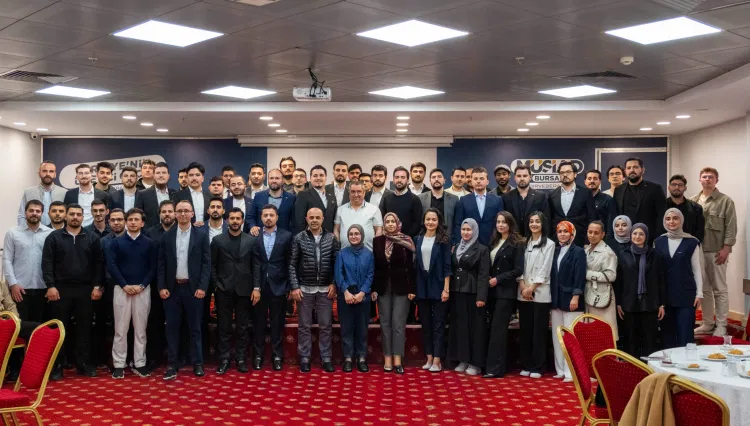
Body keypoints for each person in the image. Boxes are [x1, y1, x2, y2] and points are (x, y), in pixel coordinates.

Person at [43, 203, 104, 379]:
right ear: (66, 216)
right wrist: (50, 286)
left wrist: (97, 286)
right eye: (72, 214)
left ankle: (83, 364)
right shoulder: (54, 237)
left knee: (85, 328)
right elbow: (47, 263)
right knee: (59, 329)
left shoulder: (92, 238)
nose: (75, 217)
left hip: (86, 290)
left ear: (83, 217)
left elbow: (99, 264)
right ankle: (57, 366)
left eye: (78, 214)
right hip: (60, 290)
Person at [158, 200, 211, 380]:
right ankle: (172, 364)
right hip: (172, 289)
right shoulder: (167, 236)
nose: (182, 214)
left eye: (186, 211)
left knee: (195, 328)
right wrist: (162, 286)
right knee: (172, 328)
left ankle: (197, 363)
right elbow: (161, 264)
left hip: (193, 289)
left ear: (192, 214)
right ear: (175, 214)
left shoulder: (201, 235)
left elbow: (206, 264)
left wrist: (202, 287)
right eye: (179, 211)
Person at [105, 208, 155, 379]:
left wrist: (142, 285)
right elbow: (112, 266)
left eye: (136, 219)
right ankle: (119, 364)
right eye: (130, 219)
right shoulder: (116, 243)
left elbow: (153, 267)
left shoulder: (149, 243)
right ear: (126, 222)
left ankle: (139, 362)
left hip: (142, 290)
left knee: (141, 330)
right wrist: (124, 285)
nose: (133, 222)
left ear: (142, 223)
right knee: (120, 329)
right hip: (121, 290)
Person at [289, 207, 339, 373]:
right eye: (312, 217)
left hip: (325, 289)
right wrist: (295, 286)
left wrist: (334, 283)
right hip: (305, 288)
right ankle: (305, 358)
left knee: (326, 325)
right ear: (307, 219)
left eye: (318, 217)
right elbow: (292, 264)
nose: (315, 220)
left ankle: (326, 358)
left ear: (323, 219)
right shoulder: (299, 238)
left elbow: (337, 264)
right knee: (304, 325)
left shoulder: (331, 238)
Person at [691, 167, 737, 337]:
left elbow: (731, 227)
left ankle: (721, 325)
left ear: (716, 180)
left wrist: (726, 248)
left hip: (717, 251)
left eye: (711, 177)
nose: (707, 179)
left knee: (719, 289)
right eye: (704, 176)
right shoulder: (693, 201)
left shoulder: (725, 201)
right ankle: (708, 323)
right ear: (700, 179)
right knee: (704, 290)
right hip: (697, 251)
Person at [211, 208, 255, 374]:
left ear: (242, 221)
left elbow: (255, 265)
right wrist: (216, 285)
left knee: (242, 327)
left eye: (238, 218)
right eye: (232, 218)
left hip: (245, 289)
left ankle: (241, 359)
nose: (235, 221)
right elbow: (212, 265)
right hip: (224, 289)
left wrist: (256, 287)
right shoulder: (217, 240)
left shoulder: (251, 241)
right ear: (227, 220)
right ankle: (224, 359)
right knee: (224, 327)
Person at [372, 212, 415, 375]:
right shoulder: (377, 241)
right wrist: (374, 288)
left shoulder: (407, 241)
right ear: (384, 224)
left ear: (398, 223)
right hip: (383, 287)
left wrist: (412, 289)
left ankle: (398, 360)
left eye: (393, 221)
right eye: (387, 221)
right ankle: (387, 359)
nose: (390, 224)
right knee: (385, 323)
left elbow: (411, 267)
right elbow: (375, 267)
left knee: (398, 323)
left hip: (402, 287)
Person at [251, 204, 293, 371]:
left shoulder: (286, 236)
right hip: (259, 286)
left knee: (277, 323)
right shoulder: (254, 236)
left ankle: (277, 356)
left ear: (277, 217)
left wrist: (290, 286)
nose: (268, 218)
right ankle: (258, 355)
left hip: (279, 285)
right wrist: (255, 286)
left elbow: (290, 262)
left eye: (271, 215)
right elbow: (253, 263)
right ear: (261, 218)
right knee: (258, 323)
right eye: (265, 215)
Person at [614, 224, 665, 359]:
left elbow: (660, 280)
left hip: (650, 303)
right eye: (635, 233)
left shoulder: (655, 255)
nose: (637, 236)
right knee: (630, 339)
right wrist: (618, 303)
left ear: (646, 236)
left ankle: (649, 368)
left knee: (650, 340)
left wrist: (661, 304)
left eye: (641, 234)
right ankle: (632, 367)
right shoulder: (623, 254)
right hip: (629, 303)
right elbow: (619, 281)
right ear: (631, 235)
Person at [483, 212, 524, 378]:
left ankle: (496, 369)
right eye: (498, 222)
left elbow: (518, 269)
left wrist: (498, 279)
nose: (500, 225)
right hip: (492, 292)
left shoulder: (517, 243)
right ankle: (493, 366)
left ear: (510, 224)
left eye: (504, 222)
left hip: (506, 293)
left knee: (498, 331)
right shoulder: (494, 241)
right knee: (492, 329)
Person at [655, 208, 703, 349]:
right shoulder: (658, 242)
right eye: (668, 218)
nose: (671, 221)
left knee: (685, 336)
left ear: (681, 220)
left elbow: (697, 269)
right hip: (665, 297)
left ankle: (687, 362)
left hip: (686, 296)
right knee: (667, 336)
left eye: (675, 218)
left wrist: (699, 293)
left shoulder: (692, 242)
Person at [448, 218, 490, 376]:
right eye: (463, 229)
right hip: (458, 291)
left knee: (475, 328)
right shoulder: (456, 247)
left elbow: (483, 275)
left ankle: (475, 363)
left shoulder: (482, 249)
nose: (465, 232)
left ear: (475, 231)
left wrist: (481, 297)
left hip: (473, 293)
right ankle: (463, 359)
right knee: (461, 327)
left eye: (469, 230)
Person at [414, 208, 452, 373]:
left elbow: (447, 266)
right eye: (428, 219)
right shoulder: (417, 239)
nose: (430, 222)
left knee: (438, 325)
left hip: (439, 287)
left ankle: (437, 360)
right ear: (424, 221)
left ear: (438, 221)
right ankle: (429, 358)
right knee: (426, 325)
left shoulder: (444, 240)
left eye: (434, 219)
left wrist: (446, 289)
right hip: (422, 288)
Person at [518, 211, 555, 379]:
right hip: (523, 291)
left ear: (543, 224)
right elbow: (518, 266)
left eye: (537, 221)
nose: (534, 224)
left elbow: (545, 269)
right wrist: (522, 285)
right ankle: (527, 364)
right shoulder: (523, 242)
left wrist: (531, 288)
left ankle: (538, 367)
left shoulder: (549, 244)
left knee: (539, 331)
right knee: (525, 330)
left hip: (540, 292)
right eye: (531, 221)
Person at [4, 200, 52, 324]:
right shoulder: (13, 233)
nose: (34, 213)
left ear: (42, 213)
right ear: (25, 212)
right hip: (20, 289)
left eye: (38, 211)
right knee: (20, 326)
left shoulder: (50, 234)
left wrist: (51, 286)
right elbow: (7, 259)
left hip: (43, 289)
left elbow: (53, 262)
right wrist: (13, 284)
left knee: (40, 327)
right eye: (31, 210)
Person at [550, 221, 586, 383]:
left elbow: (580, 275)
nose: (563, 234)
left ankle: (571, 372)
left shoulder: (578, 251)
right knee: (557, 336)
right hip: (556, 299)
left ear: (572, 233)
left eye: (566, 231)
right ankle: (560, 370)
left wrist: (576, 296)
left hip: (571, 299)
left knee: (571, 337)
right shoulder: (555, 251)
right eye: (560, 231)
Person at [334, 224, 374, 373]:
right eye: (351, 234)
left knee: (362, 329)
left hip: (363, 296)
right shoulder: (341, 254)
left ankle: (362, 358)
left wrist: (362, 293)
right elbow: (338, 274)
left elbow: (370, 275)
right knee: (347, 328)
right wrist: (345, 292)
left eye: (357, 233)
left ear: (362, 235)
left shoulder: (369, 254)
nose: (354, 236)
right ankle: (348, 358)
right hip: (346, 296)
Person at [145, 200, 175, 371]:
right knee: (154, 322)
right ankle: (154, 358)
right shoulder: (150, 232)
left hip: (176, 284)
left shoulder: (182, 230)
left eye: (170, 211)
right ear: (159, 214)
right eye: (164, 211)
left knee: (176, 322)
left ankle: (176, 357)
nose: (167, 214)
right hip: (155, 283)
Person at [613, 158, 666, 243]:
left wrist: (657, 239)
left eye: (635, 167)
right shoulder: (619, 190)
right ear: (625, 171)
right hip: (625, 239)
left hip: (648, 238)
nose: (632, 170)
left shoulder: (655, 189)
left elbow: (662, 215)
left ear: (642, 170)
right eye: (629, 168)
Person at [584, 221, 619, 340]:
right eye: (590, 232)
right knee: (591, 335)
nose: (592, 235)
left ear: (603, 234)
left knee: (603, 335)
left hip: (602, 295)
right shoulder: (586, 249)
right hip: (589, 294)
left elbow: (611, 275)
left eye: (596, 233)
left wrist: (586, 274)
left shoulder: (607, 252)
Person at [453, 167, 504, 245]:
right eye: (475, 179)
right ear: (471, 181)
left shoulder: (497, 200)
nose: (478, 181)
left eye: (481, 178)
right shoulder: (463, 200)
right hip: (469, 244)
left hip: (492, 243)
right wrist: (459, 243)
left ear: (487, 182)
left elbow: (501, 223)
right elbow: (458, 224)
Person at [502, 164, 549, 239]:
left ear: (530, 177)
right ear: (515, 178)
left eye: (525, 176)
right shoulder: (506, 197)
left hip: (534, 239)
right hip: (513, 240)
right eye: (519, 176)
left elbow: (546, 220)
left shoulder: (540, 196)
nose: (522, 178)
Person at [334, 181, 383, 250]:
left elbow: (379, 230)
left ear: (364, 193)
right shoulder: (340, 209)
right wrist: (337, 247)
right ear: (349, 193)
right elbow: (336, 230)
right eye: (353, 192)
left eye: (359, 191)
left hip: (368, 252)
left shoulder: (374, 209)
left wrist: (376, 249)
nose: (356, 194)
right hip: (345, 252)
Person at [18, 161, 67, 226]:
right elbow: (22, 215)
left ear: (55, 174)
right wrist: (23, 230)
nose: (47, 174)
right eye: (44, 171)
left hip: (57, 230)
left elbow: (68, 215)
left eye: (51, 171)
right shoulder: (28, 192)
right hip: (34, 230)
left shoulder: (64, 192)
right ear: (39, 173)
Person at [248, 169, 296, 235]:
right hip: (261, 236)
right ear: (268, 180)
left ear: (282, 180)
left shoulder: (291, 198)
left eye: (277, 178)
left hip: (284, 238)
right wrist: (253, 226)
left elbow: (294, 221)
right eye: (271, 178)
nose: (274, 181)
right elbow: (250, 216)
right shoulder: (258, 196)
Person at [379, 166, 423, 237]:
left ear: (408, 180)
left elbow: (417, 223)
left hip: (408, 240)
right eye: (397, 177)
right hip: (389, 239)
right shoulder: (387, 198)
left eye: (403, 177)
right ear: (393, 180)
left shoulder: (415, 199)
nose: (399, 180)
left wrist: (404, 238)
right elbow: (382, 220)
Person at [294, 165, 337, 233]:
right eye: (315, 175)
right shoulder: (303, 195)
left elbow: (333, 220)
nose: (318, 178)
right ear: (310, 178)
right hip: (310, 237)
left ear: (326, 178)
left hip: (329, 237)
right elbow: (299, 221)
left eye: (321, 175)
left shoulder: (332, 196)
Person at [418, 168, 458, 238]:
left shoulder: (454, 199)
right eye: (433, 177)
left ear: (444, 180)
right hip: (426, 238)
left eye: (439, 177)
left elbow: (456, 223)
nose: (436, 179)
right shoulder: (421, 198)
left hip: (447, 239)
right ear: (430, 181)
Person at [665, 174, 704, 243]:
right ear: (669, 187)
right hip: (665, 244)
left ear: (685, 188)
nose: (677, 187)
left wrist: (693, 244)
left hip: (689, 245)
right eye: (674, 184)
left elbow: (700, 231)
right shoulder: (661, 206)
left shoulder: (696, 208)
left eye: (680, 185)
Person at [136, 161, 176, 228]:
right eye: (158, 173)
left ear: (168, 176)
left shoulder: (175, 194)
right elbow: (138, 217)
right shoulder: (142, 195)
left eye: (164, 173)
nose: (161, 175)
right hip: (150, 233)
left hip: (173, 232)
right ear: (154, 176)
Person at [172, 162, 211, 227]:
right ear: (187, 178)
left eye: (197, 175)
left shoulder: (210, 196)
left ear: (203, 178)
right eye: (191, 175)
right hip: (186, 230)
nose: (194, 178)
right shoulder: (177, 196)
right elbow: (175, 216)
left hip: (207, 230)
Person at [585, 169, 617, 237]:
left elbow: (611, 224)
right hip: (582, 239)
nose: (592, 181)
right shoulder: (580, 199)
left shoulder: (608, 200)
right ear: (585, 182)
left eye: (595, 178)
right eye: (589, 178)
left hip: (602, 239)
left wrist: (608, 240)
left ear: (600, 181)